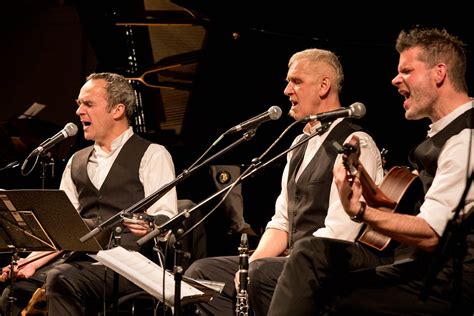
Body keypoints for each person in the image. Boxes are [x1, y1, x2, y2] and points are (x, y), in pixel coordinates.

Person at [268, 27, 474, 315]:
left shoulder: (465, 139)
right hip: (419, 268)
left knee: (319, 273)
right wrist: (373, 197)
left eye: (406, 70)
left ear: (439, 73)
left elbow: (430, 233)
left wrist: (361, 211)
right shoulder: (442, 136)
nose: (395, 79)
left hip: (447, 283)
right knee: (312, 267)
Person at [184, 48, 385, 315]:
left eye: (296, 81)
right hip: (293, 259)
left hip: (330, 262)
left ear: (324, 86)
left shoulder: (354, 143)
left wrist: (282, 263)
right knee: (201, 273)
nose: (287, 91)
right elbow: (282, 222)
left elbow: (341, 232)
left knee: (261, 273)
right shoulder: (299, 142)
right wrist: (248, 265)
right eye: (288, 82)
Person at [0, 72, 178, 315]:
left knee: (61, 279)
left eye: (88, 104)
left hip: (129, 267)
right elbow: (62, 228)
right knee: (14, 292)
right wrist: (31, 262)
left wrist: (151, 224)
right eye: (78, 104)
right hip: (77, 263)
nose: (79, 111)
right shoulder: (77, 161)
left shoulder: (153, 154)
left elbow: (166, 218)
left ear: (117, 110)